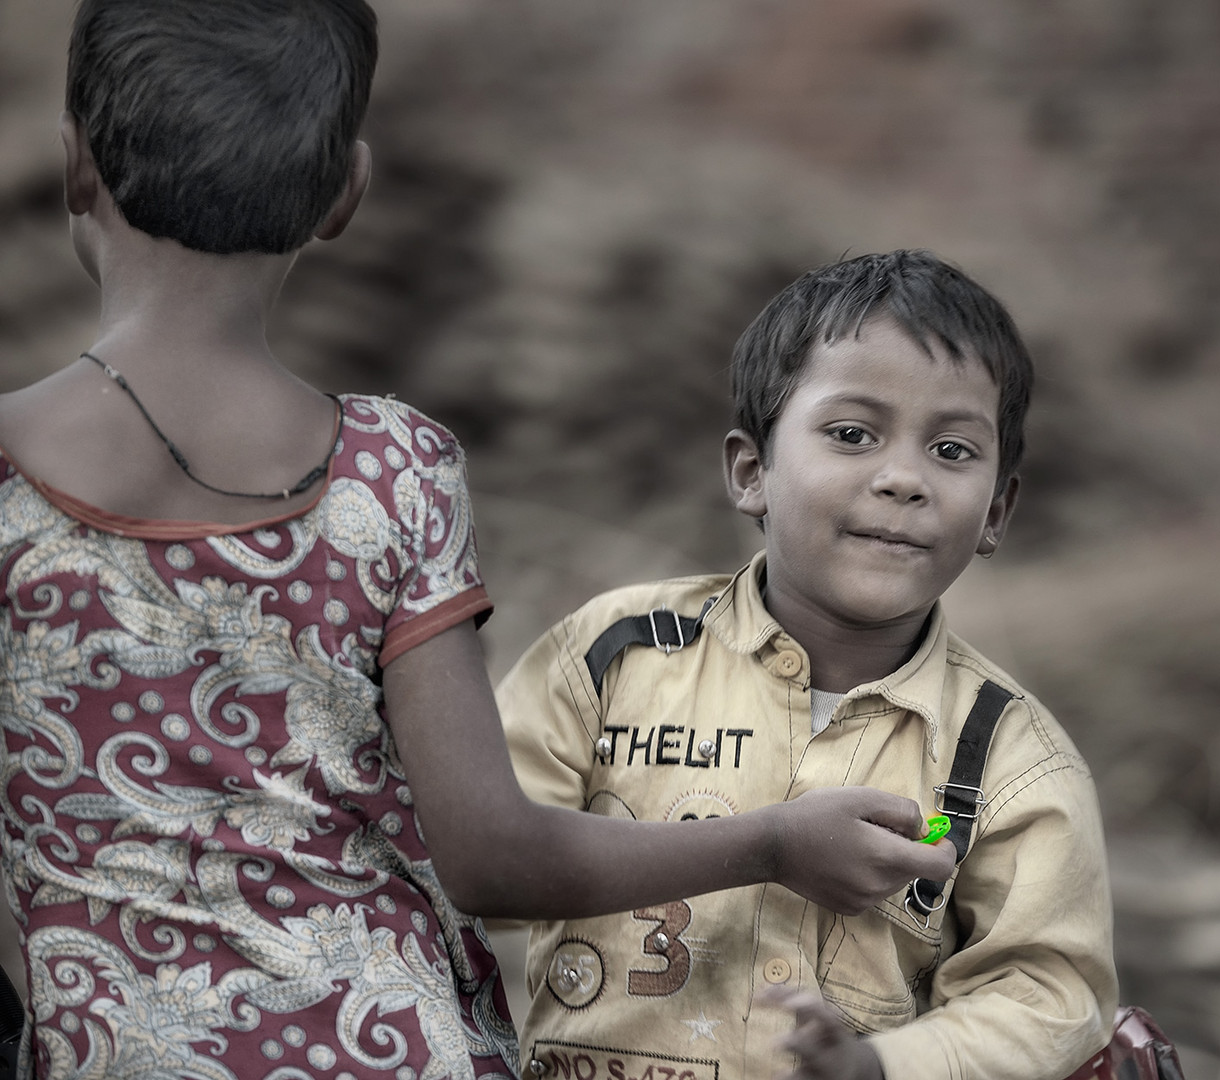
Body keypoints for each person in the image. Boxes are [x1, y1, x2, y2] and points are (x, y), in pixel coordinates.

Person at [0, 6, 954, 1078]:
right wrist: (774, 841)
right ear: (343, 194)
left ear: (75, 164)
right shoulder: (389, 470)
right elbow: (493, 857)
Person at [497, 250, 1119, 1080]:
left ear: (998, 509)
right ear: (752, 471)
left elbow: (1049, 993)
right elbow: (489, 857)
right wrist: (762, 845)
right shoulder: (610, 657)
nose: (903, 479)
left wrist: (884, 1066)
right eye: (852, 434)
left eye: (953, 450)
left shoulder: (1006, 758)